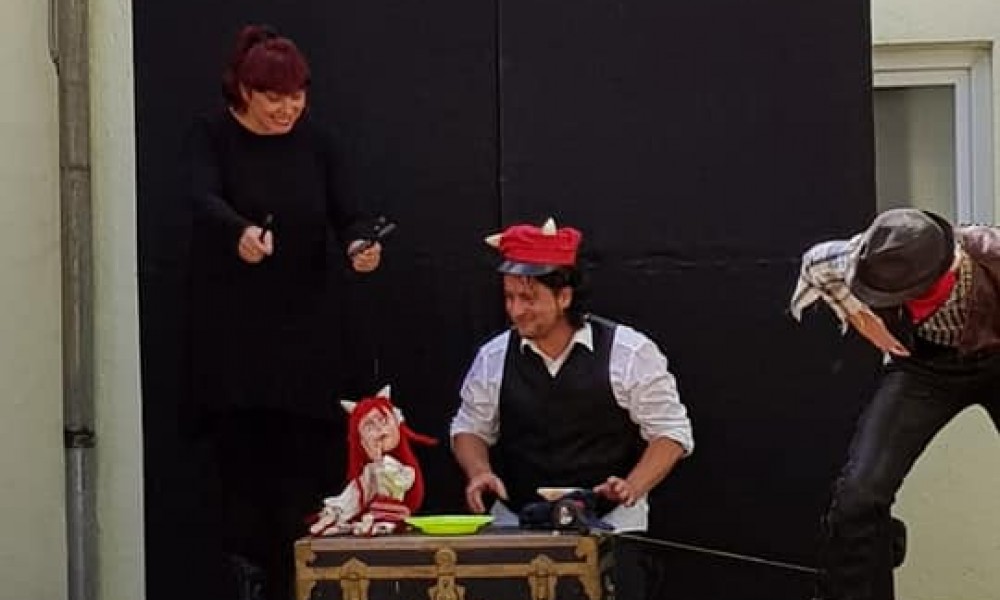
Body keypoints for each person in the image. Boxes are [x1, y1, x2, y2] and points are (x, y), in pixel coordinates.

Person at [183, 24, 383, 600]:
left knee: (305, 475)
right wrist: (238, 231)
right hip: (235, 342)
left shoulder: (318, 142)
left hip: (306, 339)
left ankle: (306, 581)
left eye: (296, 97)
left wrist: (360, 245)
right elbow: (201, 196)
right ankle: (248, 579)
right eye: (274, 98)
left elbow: (350, 214)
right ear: (244, 91)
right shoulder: (211, 136)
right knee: (243, 476)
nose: (287, 109)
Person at [450, 217, 694, 600]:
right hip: (517, 527)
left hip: (611, 527)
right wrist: (479, 471)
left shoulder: (629, 352)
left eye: (528, 298)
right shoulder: (493, 357)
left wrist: (632, 485)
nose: (516, 310)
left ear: (564, 297)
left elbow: (671, 433)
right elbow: (469, 428)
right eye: (510, 298)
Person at [791, 208, 1000, 600]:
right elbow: (814, 263)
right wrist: (859, 315)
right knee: (859, 496)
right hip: (925, 366)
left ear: (949, 269)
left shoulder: (991, 254)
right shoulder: (870, 256)